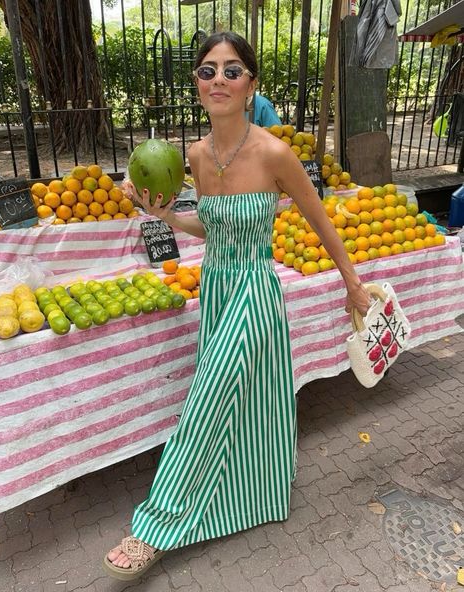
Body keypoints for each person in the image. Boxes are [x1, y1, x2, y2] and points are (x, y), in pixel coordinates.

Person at [104, 30, 371, 581]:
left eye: (231, 70)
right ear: (197, 85)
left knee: (205, 402)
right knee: (245, 399)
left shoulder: (274, 152)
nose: (218, 79)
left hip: (254, 289)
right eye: (207, 70)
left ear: (251, 83)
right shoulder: (196, 157)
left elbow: (320, 221)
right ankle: (256, 495)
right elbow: (208, 226)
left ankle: (153, 526)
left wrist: (353, 283)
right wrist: (164, 217)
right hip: (217, 289)